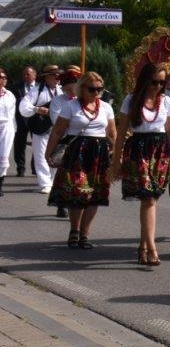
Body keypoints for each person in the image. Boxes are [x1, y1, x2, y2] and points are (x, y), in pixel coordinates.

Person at [111, 63, 170, 266]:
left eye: (162, 82)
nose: (158, 86)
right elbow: (121, 133)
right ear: (145, 80)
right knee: (147, 198)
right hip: (138, 150)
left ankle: (143, 246)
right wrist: (116, 161)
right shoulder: (131, 100)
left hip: (160, 152)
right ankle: (152, 248)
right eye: (154, 82)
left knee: (152, 199)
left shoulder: (167, 101)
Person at [45, 72, 116, 250]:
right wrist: (48, 153)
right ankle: (74, 230)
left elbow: (112, 133)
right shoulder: (71, 106)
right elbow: (57, 131)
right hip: (78, 152)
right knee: (78, 192)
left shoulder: (106, 107)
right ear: (82, 88)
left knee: (95, 194)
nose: (96, 92)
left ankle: (85, 234)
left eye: (100, 89)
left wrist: (115, 154)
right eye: (92, 89)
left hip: (99, 153)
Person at [18, 65, 60, 195]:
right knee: (40, 155)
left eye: (58, 75)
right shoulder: (37, 90)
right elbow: (23, 106)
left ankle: (52, 181)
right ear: (47, 77)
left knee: (56, 155)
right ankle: (45, 183)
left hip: (57, 129)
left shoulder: (61, 90)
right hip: (41, 128)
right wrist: (37, 109)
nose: (57, 78)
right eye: (54, 75)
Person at [48, 66, 82, 218]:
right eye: (67, 89)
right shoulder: (57, 101)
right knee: (63, 174)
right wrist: (75, 123)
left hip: (82, 141)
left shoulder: (84, 100)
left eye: (72, 89)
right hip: (64, 141)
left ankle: (75, 203)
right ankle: (62, 204)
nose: (70, 92)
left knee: (78, 174)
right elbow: (57, 122)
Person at [12, 65, 38, 177]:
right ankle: (20, 168)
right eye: (24, 74)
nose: (25, 76)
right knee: (19, 144)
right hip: (20, 119)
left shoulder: (41, 87)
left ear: (34, 75)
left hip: (36, 119)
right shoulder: (15, 87)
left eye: (28, 74)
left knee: (37, 144)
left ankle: (35, 168)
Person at [0, 68, 15, 196]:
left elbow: (12, 114)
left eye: (5, 77)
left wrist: (13, 128)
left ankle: (0, 184)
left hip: (6, 128)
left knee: (4, 158)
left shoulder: (9, 94)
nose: (3, 79)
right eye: (1, 77)